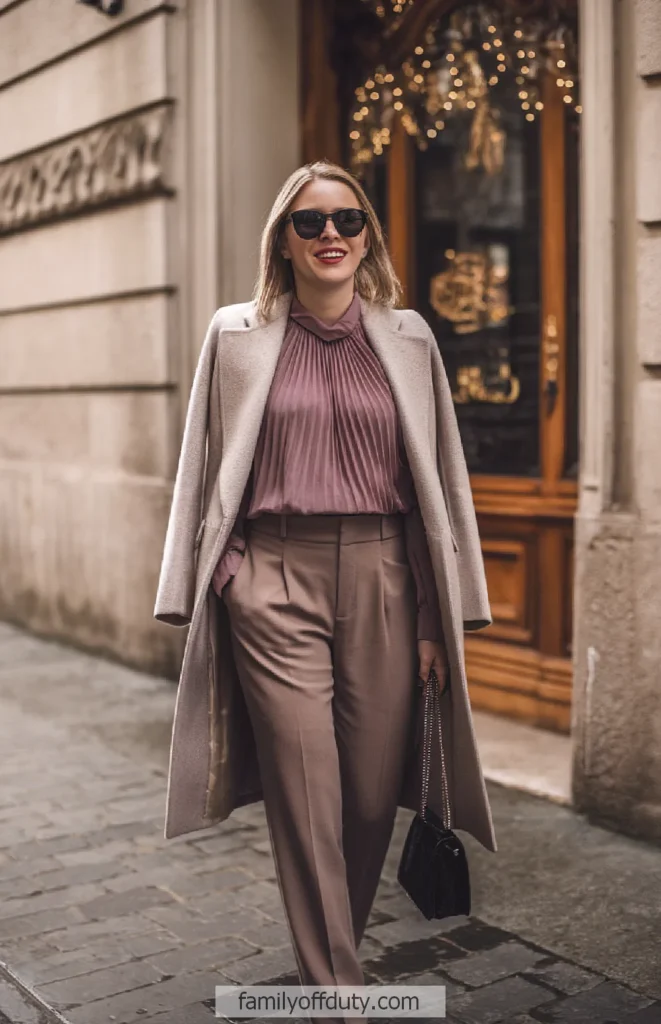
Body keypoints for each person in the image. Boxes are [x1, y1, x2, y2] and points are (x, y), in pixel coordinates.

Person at [154, 160, 496, 1024]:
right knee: (305, 784)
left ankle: (328, 965)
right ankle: (341, 991)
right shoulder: (236, 334)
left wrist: (434, 610)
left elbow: (438, 483)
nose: (330, 234)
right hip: (272, 579)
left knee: (371, 792)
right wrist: (221, 578)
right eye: (309, 223)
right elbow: (202, 467)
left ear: (367, 233)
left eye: (346, 219)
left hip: (385, 575)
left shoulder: (410, 336)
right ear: (283, 239)